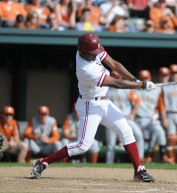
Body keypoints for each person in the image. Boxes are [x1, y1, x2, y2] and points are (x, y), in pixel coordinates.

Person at [31, 33, 156, 182]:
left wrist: (136, 80)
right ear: (83, 52)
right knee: (83, 145)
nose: (96, 55)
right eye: (92, 53)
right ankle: (43, 162)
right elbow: (117, 83)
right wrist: (141, 85)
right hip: (90, 105)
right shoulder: (86, 70)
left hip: (104, 102)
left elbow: (115, 64)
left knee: (126, 131)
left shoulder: (90, 50)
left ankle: (139, 170)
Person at [105, 70, 144, 164]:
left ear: (121, 78)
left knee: (138, 135)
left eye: (118, 77)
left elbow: (137, 102)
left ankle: (140, 160)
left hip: (125, 117)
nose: (116, 79)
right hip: (112, 118)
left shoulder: (127, 89)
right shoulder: (107, 90)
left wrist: (132, 114)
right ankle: (108, 164)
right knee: (110, 145)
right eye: (114, 77)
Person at [134, 70, 171, 163]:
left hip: (150, 119)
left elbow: (161, 105)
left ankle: (163, 156)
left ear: (150, 78)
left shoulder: (156, 89)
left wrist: (164, 118)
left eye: (146, 78)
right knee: (139, 138)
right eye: (143, 79)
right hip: (137, 118)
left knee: (160, 131)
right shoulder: (135, 88)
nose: (145, 80)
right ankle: (140, 159)